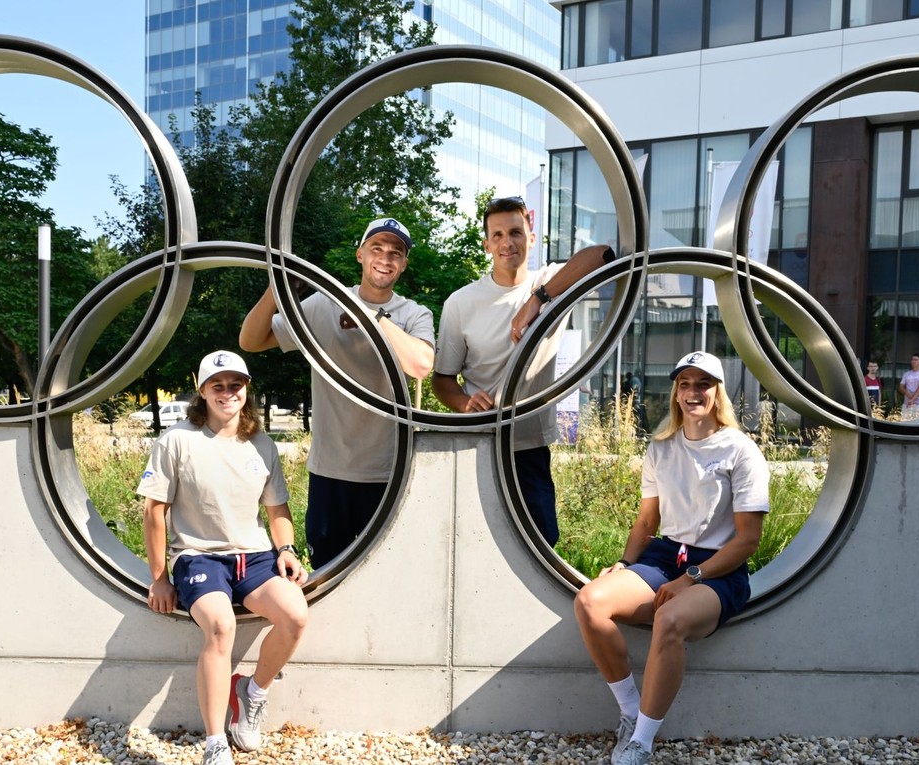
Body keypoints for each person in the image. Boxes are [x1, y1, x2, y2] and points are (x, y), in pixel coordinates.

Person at [573, 351, 770, 765]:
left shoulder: (741, 451)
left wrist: (693, 577)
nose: (693, 392)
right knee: (591, 602)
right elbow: (648, 518)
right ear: (676, 392)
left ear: (719, 393)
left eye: (703, 384)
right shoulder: (660, 448)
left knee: (671, 618)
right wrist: (626, 563)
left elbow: (748, 541)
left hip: (719, 566)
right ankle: (629, 710)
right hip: (665, 556)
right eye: (685, 384)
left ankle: (642, 742)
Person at [138, 350, 308, 765]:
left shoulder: (262, 445)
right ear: (202, 391)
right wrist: (160, 577)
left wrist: (286, 549)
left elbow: (277, 511)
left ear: (247, 389)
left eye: (236, 384)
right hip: (199, 557)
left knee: (295, 615)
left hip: (252, 556)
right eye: (218, 385)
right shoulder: (177, 439)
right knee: (220, 625)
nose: (228, 392)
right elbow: (153, 511)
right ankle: (215, 743)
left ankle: (252, 692)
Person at [240, 217, 434, 568]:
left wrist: (373, 318)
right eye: (377, 248)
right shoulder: (324, 304)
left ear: (403, 264)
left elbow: (420, 365)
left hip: (387, 472)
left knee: (384, 571)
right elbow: (251, 341)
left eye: (396, 253)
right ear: (360, 254)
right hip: (331, 471)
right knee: (328, 571)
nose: (385, 258)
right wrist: (277, 290)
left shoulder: (413, 313)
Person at [432, 195, 615, 546]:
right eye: (497, 235)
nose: (507, 242)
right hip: (480, 442)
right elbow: (443, 380)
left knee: (541, 543)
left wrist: (538, 299)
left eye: (516, 232)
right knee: (477, 544)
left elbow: (602, 255)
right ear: (486, 244)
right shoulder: (461, 302)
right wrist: (463, 404)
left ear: (532, 238)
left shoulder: (550, 282)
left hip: (529, 446)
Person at [899, 353, 919, 420]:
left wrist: (913, 399)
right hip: (907, 404)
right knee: (905, 424)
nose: (913, 361)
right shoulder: (906, 374)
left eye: (916, 360)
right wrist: (907, 393)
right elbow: (901, 386)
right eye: (912, 359)